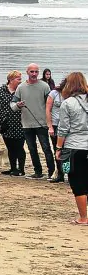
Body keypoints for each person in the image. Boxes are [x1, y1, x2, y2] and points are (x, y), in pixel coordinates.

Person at [11, 63, 55, 180]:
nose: (34, 74)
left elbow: (51, 105)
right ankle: (38, 171)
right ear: (27, 72)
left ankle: (52, 172)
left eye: (36, 72)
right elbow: (12, 105)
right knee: (32, 149)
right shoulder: (21, 87)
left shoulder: (44, 86)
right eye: (32, 72)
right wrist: (18, 105)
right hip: (26, 124)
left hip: (42, 123)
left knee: (46, 148)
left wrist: (50, 122)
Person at [55, 72, 88, 225]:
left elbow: (63, 129)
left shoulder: (68, 103)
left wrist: (58, 147)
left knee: (77, 182)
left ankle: (83, 217)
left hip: (74, 146)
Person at [0, 70, 26, 176]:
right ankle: (13, 168)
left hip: (20, 123)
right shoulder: (1, 91)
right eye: (18, 79)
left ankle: (21, 169)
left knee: (19, 147)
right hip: (5, 124)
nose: (20, 81)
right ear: (11, 80)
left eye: (20, 79)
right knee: (10, 147)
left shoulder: (22, 90)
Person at [46, 79, 67, 183]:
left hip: (67, 126)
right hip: (55, 124)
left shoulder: (72, 94)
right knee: (57, 150)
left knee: (67, 151)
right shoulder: (54, 93)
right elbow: (48, 110)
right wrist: (50, 126)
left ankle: (68, 173)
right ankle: (60, 174)